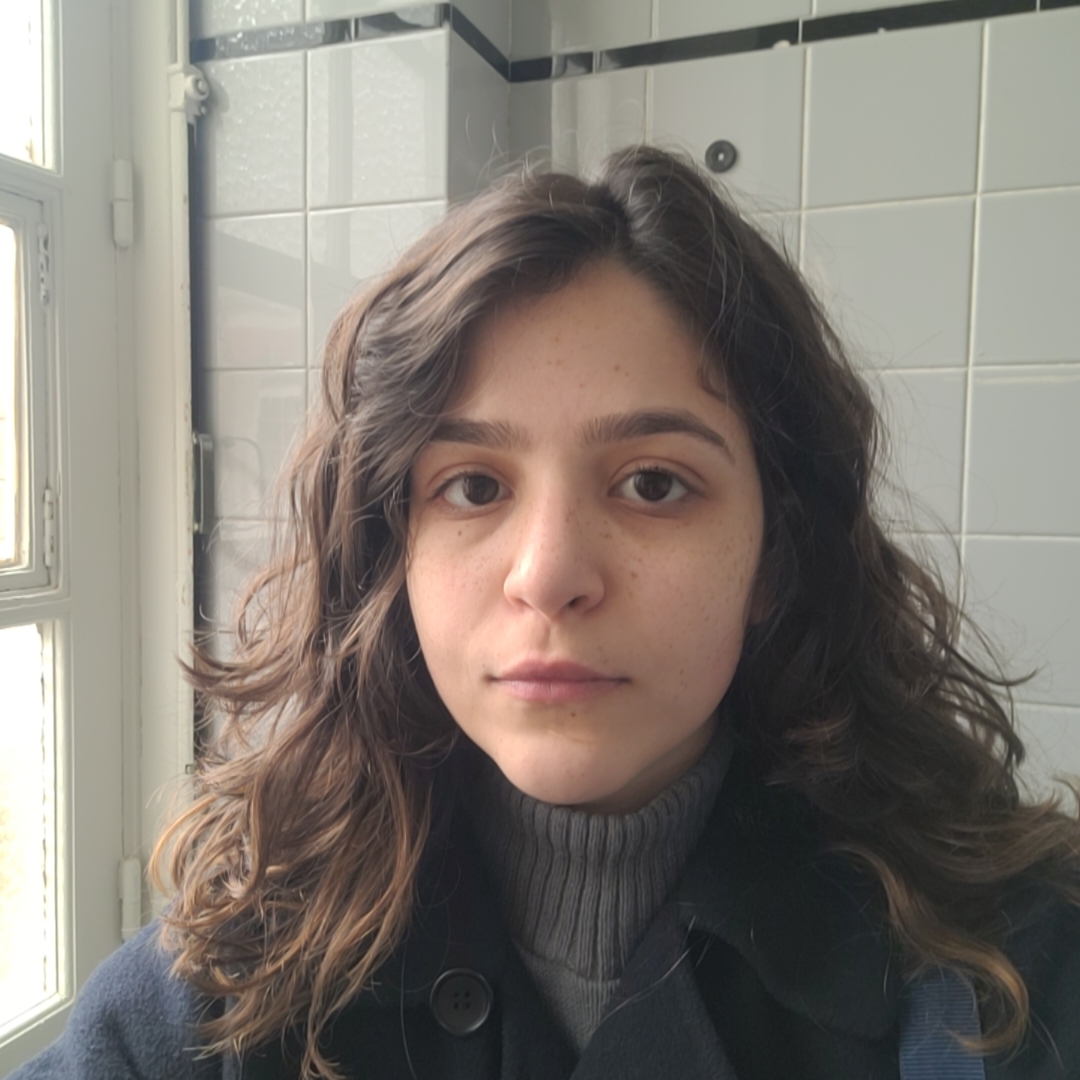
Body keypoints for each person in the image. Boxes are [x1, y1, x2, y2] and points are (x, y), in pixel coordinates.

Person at [12, 147, 1080, 1080]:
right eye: (474, 486)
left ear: (776, 553)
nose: (549, 573)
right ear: (393, 551)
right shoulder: (241, 959)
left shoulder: (1002, 962)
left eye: (654, 483)